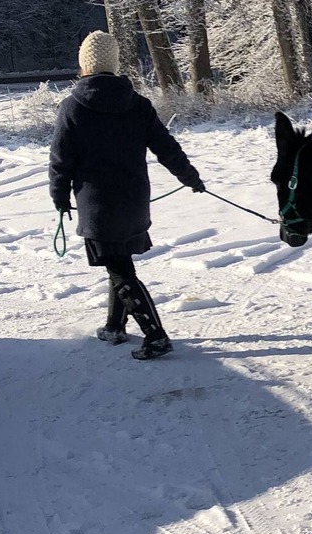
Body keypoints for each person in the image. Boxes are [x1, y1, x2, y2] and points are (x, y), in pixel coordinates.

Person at [48, 31, 205, 360]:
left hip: (97, 204)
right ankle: (114, 327)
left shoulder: (72, 107)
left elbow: (61, 160)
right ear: (115, 64)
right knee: (119, 262)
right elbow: (167, 148)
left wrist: (60, 198)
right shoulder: (138, 104)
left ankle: (156, 335)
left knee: (120, 270)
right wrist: (190, 178)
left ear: (84, 66)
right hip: (134, 202)